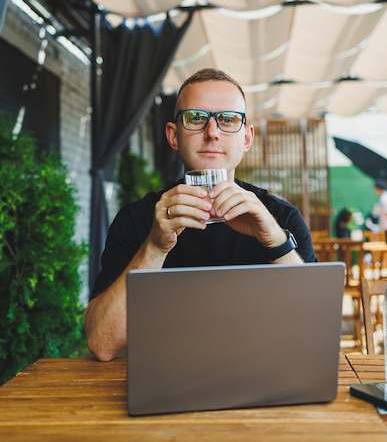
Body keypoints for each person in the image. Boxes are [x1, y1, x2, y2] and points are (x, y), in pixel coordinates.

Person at [84, 68, 317, 361]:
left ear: (247, 138)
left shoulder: (281, 218)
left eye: (228, 119)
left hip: (266, 372)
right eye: (195, 118)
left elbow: (318, 326)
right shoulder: (138, 219)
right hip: (164, 379)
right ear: (173, 135)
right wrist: (155, 247)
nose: (212, 132)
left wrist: (275, 240)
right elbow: (102, 343)